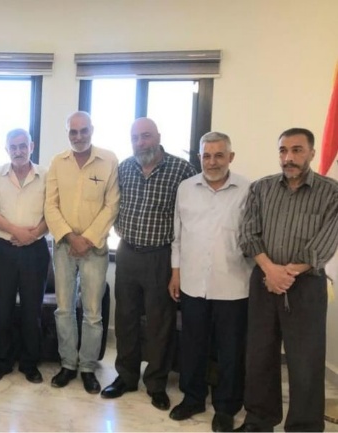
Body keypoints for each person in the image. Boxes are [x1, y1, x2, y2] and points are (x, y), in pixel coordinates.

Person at [236, 128, 338, 432]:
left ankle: (304, 426)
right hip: (265, 280)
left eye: (297, 150)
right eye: (283, 150)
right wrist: (270, 270)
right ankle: (259, 419)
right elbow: (248, 233)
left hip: (306, 285)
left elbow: (325, 242)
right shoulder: (261, 188)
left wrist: (286, 273)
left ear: (312, 153)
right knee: (260, 355)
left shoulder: (331, 192)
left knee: (305, 360)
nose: (288, 157)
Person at [103, 117, 196, 410]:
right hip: (127, 252)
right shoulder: (124, 168)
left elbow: (190, 217)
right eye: (135, 138)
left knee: (159, 322)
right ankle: (126, 376)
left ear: (158, 136)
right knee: (125, 319)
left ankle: (156, 383)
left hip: (160, 256)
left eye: (146, 136)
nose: (140, 143)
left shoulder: (182, 170)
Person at [167, 132, 251, 432]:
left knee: (230, 351)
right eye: (206, 155)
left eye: (218, 155)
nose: (212, 162)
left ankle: (226, 407)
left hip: (234, 284)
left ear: (231, 157)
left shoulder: (248, 189)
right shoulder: (186, 188)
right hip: (192, 282)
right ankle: (193, 398)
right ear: (199, 157)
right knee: (193, 346)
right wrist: (175, 273)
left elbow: (254, 237)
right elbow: (178, 235)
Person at [44, 111, 120, 394]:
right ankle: (68, 364)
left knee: (93, 312)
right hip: (64, 246)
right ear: (67, 133)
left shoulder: (108, 160)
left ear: (92, 130)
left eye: (83, 130)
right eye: (73, 132)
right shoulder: (57, 162)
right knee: (64, 309)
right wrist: (70, 237)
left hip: (95, 247)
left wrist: (86, 239)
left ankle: (87, 367)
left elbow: (112, 205)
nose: (78, 136)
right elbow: (50, 205)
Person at [0, 128, 49, 384]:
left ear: (32, 146)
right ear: (6, 149)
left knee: (32, 310)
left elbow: (52, 212)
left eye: (23, 146)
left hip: (35, 251)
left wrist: (33, 235)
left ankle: (30, 364)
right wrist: (17, 231)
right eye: (13, 147)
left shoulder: (46, 175)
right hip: (4, 251)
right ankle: (1, 363)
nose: (18, 151)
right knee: (2, 310)